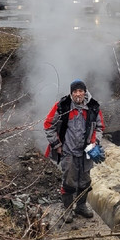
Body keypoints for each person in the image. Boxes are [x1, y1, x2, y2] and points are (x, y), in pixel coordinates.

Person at [44, 79, 105, 223]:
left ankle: (81, 206)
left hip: (86, 152)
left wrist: (95, 143)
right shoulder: (63, 106)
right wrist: (57, 145)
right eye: (75, 91)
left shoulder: (93, 107)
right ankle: (68, 208)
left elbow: (100, 127)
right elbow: (48, 124)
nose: (78, 94)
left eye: (80, 91)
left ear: (85, 92)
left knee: (85, 181)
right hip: (68, 151)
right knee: (69, 182)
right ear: (71, 93)